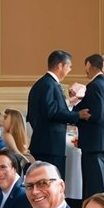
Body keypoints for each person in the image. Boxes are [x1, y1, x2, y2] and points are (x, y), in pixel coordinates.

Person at [28, 50, 81, 179]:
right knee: (51, 182)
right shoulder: (49, 84)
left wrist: (69, 102)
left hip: (46, 143)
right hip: (50, 145)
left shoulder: (44, 83)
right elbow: (52, 112)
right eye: (68, 66)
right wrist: (78, 115)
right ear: (59, 66)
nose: (70, 69)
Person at [73, 53, 104, 198]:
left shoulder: (94, 85)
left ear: (88, 66)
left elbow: (95, 114)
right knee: (103, 188)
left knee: (95, 190)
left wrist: (76, 112)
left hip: (94, 144)